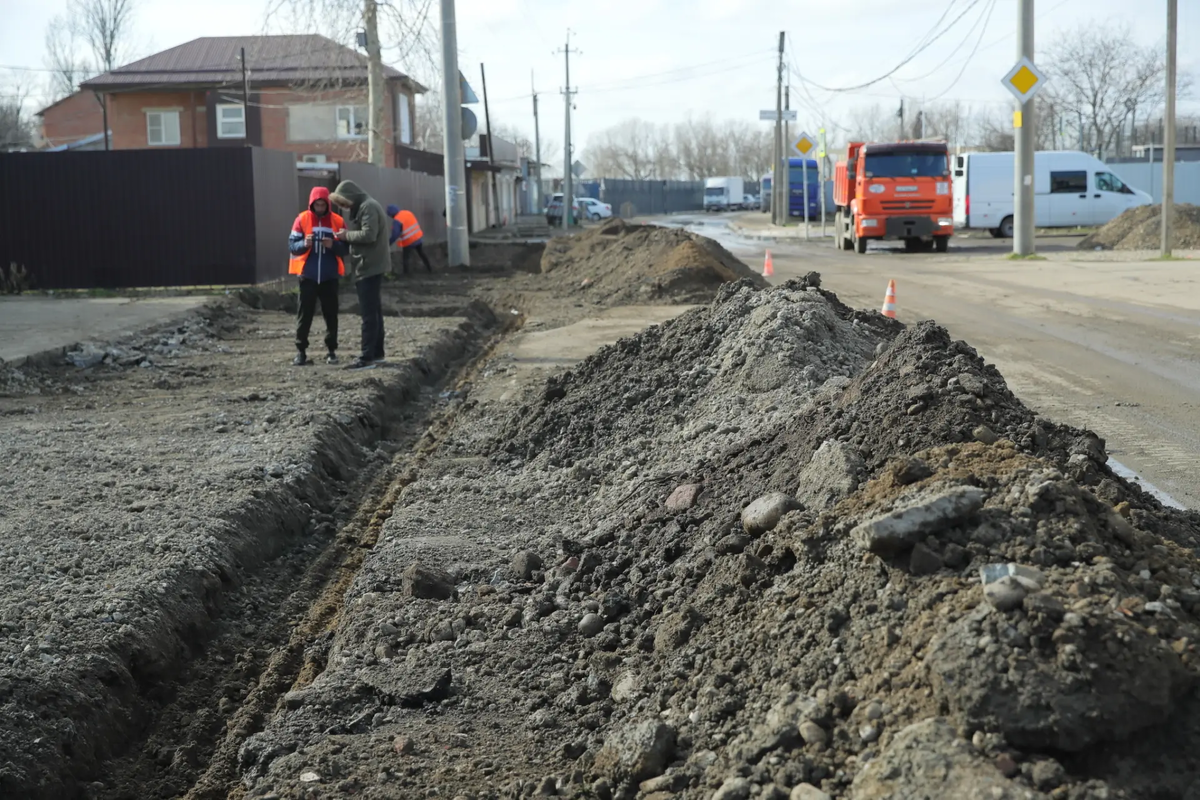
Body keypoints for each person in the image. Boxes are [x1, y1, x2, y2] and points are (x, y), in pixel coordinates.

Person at [329, 179, 390, 370]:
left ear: (351, 196)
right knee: (375, 312)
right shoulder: (368, 205)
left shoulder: (368, 207)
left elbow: (368, 235)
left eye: (344, 203)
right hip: (371, 264)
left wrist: (345, 236)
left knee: (368, 314)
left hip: (369, 265)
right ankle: (377, 353)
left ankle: (367, 357)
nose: (344, 208)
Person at [288, 186, 347, 366]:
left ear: (328, 204)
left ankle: (331, 351)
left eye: (323, 205)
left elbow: (346, 248)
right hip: (308, 276)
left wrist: (333, 246)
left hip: (330, 276)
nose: (320, 208)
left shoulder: (337, 221)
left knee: (331, 315)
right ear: (312, 204)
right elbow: (292, 245)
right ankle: (301, 352)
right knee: (304, 315)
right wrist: (304, 244)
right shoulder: (302, 219)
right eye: (317, 205)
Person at [387, 205, 433, 274]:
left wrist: (389, 243)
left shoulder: (397, 220)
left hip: (409, 241)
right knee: (421, 253)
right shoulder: (407, 213)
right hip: (417, 238)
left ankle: (406, 274)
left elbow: (395, 234)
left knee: (406, 258)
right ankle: (429, 269)